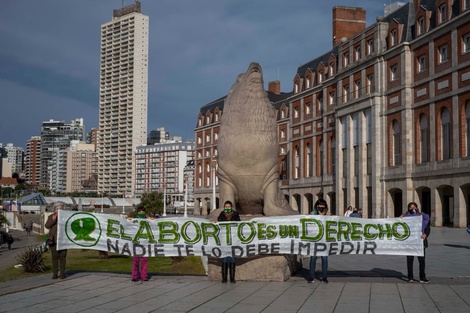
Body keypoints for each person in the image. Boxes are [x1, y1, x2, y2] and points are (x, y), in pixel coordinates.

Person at [402, 201, 430, 283]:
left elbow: (427, 228)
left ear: (417, 208)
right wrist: (400, 218)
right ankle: (410, 277)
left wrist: (425, 234)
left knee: (422, 261)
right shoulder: (406, 217)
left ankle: (422, 277)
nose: (412, 209)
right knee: (410, 260)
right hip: (410, 242)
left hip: (420, 242)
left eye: (413, 207)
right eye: (410, 207)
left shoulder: (421, 217)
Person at [217, 200, 240, 283]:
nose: (227, 208)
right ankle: (224, 278)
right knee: (224, 258)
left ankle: (232, 278)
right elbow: (219, 223)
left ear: (231, 207)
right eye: (226, 207)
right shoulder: (221, 215)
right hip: (224, 240)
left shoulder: (235, 215)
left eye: (228, 207)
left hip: (233, 239)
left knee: (232, 258)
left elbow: (239, 224)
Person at [308, 199, 329, 283]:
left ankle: (324, 276)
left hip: (324, 239)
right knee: (313, 258)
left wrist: (322, 215)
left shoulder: (328, 215)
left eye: (322, 205)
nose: (321, 207)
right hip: (314, 239)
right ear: (317, 206)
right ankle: (311, 276)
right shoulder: (312, 214)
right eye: (319, 205)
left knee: (324, 258)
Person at [45, 201, 68, 279]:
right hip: (53, 240)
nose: (59, 211)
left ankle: (62, 273)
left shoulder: (65, 217)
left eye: (60, 209)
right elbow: (47, 226)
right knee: (54, 257)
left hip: (63, 240)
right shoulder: (51, 216)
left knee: (62, 257)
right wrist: (53, 220)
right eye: (57, 209)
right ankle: (55, 273)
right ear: (54, 209)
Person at [129, 208, 149, 282]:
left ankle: (144, 276)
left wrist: (153, 220)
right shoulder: (134, 220)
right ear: (137, 212)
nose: (141, 213)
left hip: (145, 244)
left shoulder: (148, 220)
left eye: (143, 211)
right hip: (136, 244)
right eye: (140, 212)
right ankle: (135, 276)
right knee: (136, 261)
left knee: (144, 261)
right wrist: (128, 220)